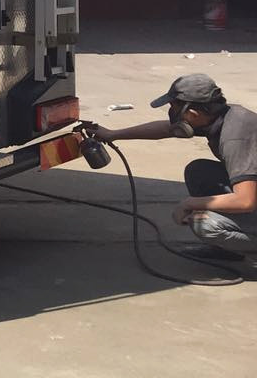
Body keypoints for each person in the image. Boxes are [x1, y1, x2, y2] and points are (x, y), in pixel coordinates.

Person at [89, 74, 257, 262]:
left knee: (204, 223)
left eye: (174, 108)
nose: (171, 113)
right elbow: (166, 129)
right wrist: (113, 134)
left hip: (249, 198)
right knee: (199, 171)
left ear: (192, 113)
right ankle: (228, 248)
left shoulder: (236, 138)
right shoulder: (220, 116)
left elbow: (245, 201)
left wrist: (189, 203)